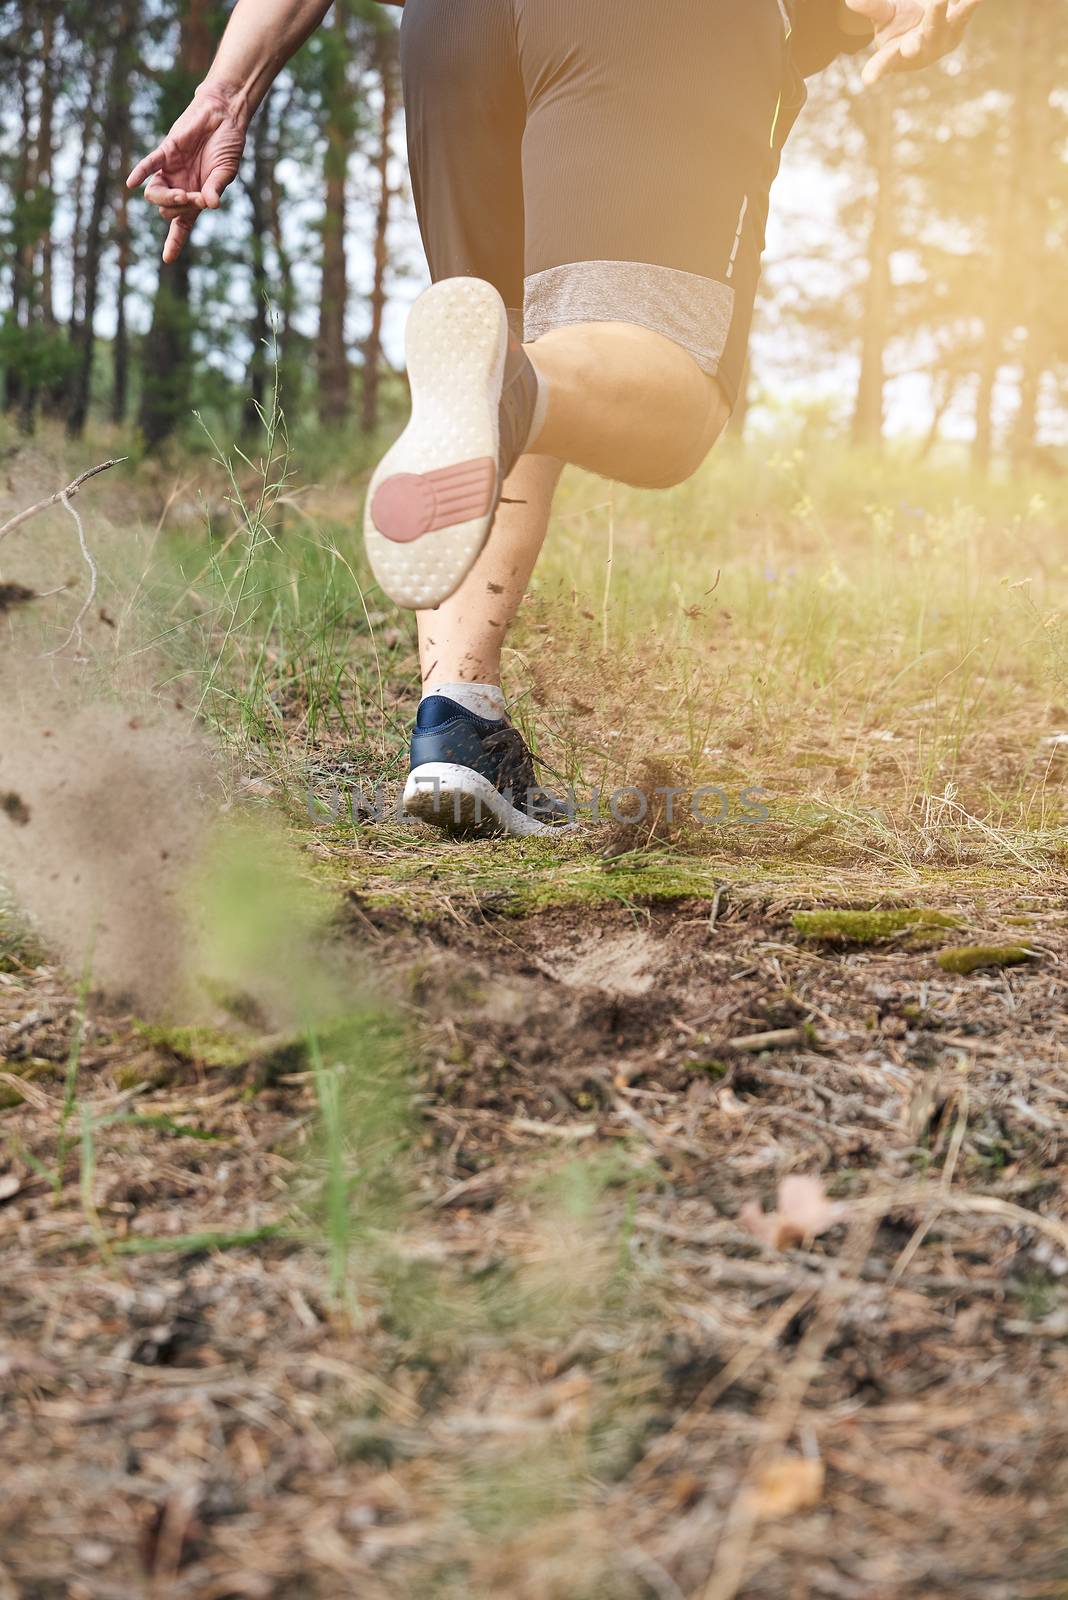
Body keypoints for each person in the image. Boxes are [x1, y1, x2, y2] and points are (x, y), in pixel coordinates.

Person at [129, 0, 982, 838]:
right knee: (669, 391)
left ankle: (459, 720)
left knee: (519, 349)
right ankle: (507, 387)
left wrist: (226, 89)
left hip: (452, 29)